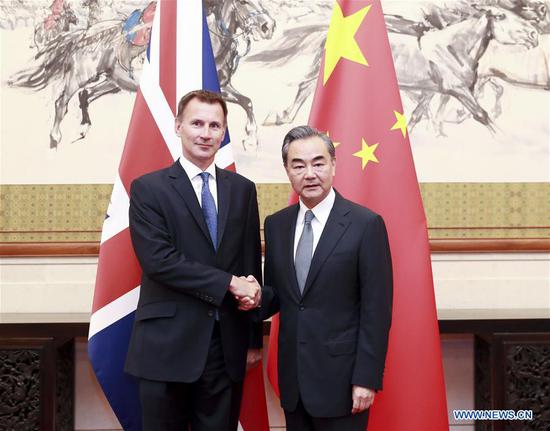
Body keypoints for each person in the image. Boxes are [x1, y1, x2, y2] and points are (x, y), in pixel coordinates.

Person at [125, 89, 262, 431]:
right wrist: (228, 283)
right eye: (197, 123)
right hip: (166, 348)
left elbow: (250, 266)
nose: (205, 133)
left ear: (223, 132)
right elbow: (159, 261)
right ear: (178, 126)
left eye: (215, 125)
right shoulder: (148, 189)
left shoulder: (242, 190)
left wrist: (253, 340)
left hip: (224, 348)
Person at [249, 125, 393, 430]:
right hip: (294, 382)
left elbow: (376, 311)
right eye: (298, 165)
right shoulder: (277, 225)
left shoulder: (365, 224)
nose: (310, 174)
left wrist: (366, 379)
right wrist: (252, 294)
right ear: (287, 170)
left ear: (333, 165)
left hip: (343, 382)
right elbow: (277, 295)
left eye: (318, 163)